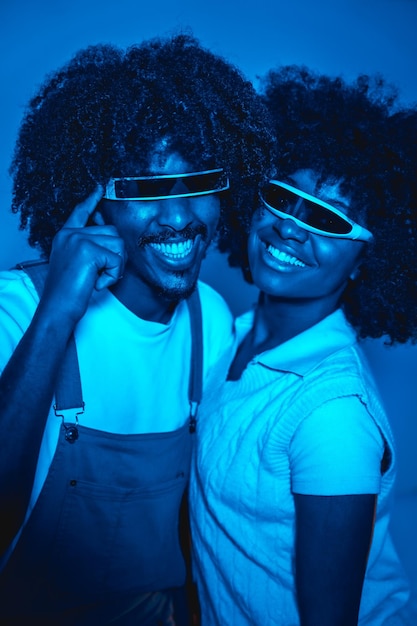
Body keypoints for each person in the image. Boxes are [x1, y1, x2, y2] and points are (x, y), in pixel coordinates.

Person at [0, 35, 274, 624]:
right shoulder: (15, 310)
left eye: (198, 185)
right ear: (93, 202)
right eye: (145, 190)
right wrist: (57, 314)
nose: (179, 219)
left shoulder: (211, 316)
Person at [189, 65, 417, 625]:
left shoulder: (331, 413)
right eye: (281, 196)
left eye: (329, 219)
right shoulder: (229, 332)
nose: (291, 228)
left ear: (371, 259)